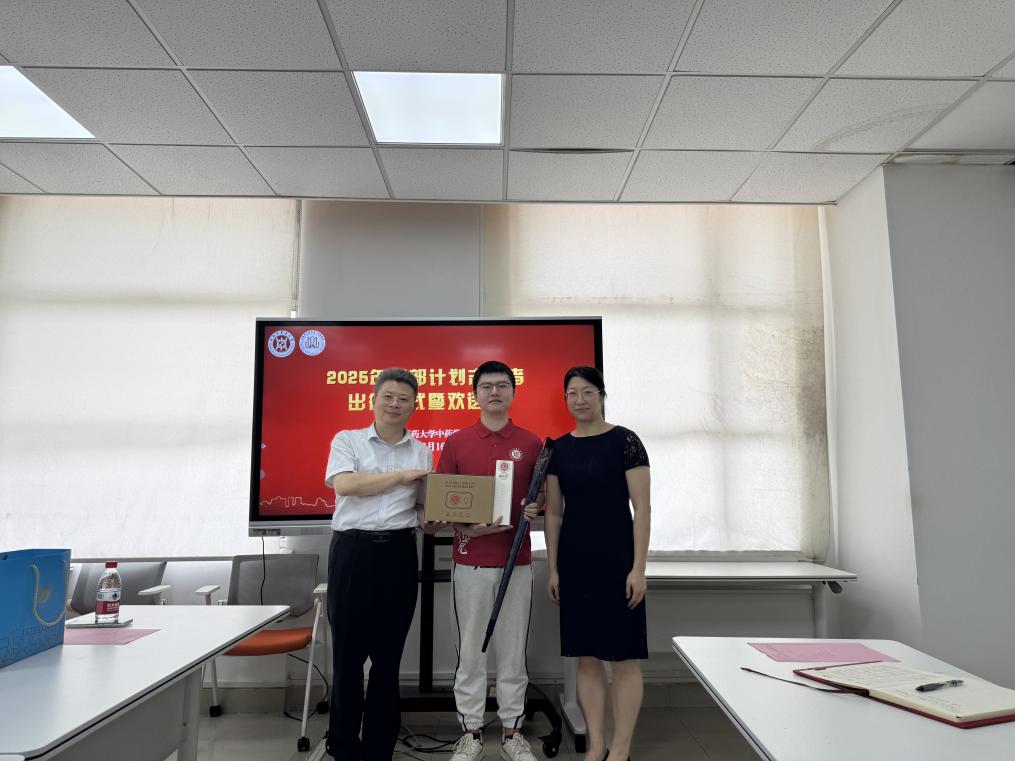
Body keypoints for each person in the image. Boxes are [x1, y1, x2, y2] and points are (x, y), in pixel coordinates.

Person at [436, 360, 543, 761]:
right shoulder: (456, 442)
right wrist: (466, 526)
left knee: (513, 652)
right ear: (475, 394)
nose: (494, 392)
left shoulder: (532, 443)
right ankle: (472, 733)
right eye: (486, 386)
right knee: (471, 652)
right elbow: (442, 505)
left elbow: (544, 500)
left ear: (513, 392)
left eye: (502, 385)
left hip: (517, 564)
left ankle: (513, 732)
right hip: (471, 563)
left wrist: (537, 508)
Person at [324, 368, 432, 761]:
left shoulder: (422, 452)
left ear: (415, 406)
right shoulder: (347, 440)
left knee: (388, 660)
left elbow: (422, 508)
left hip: (398, 555)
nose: (395, 404)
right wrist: (400, 477)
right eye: (388, 396)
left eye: (404, 399)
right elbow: (346, 485)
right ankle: (343, 746)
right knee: (347, 658)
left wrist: (440, 517)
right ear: (373, 399)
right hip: (352, 553)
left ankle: (379, 748)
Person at [543, 366, 651, 761]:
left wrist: (638, 568)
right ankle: (596, 746)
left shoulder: (625, 442)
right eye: (572, 393)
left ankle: (620, 748)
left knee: (623, 658)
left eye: (588, 391)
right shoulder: (558, 450)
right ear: (565, 400)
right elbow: (554, 513)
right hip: (575, 563)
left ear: (602, 395)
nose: (580, 400)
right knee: (586, 658)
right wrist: (553, 569)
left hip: (618, 562)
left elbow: (642, 509)